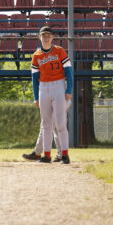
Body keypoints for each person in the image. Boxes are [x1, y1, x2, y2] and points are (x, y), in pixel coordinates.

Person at [29, 25, 72, 164]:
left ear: (52, 37)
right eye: (44, 35)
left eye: (48, 35)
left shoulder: (60, 51)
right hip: (43, 88)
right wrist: (36, 96)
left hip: (58, 85)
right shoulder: (36, 55)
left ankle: (65, 154)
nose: (46, 38)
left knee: (60, 122)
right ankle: (46, 155)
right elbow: (35, 79)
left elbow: (69, 72)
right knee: (46, 123)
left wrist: (69, 90)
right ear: (39, 37)